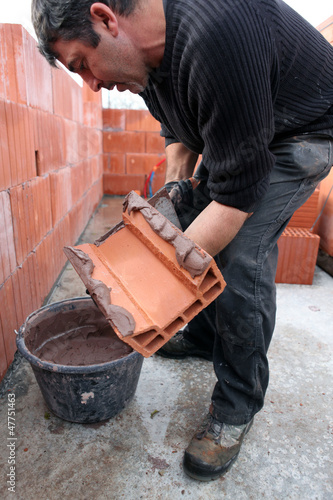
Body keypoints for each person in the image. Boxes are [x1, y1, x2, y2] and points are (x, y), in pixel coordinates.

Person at [31, 0, 333, 481]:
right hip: (245, 128)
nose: (89, 83)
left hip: (298, 132)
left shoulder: (219, 31)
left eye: (82, 65)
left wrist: (154, 286)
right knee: (192, 212)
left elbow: (238, 194)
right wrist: (176, 190)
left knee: (239, 254)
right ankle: (205, 335)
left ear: (106, 18)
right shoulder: (144, 54)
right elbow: (177, 122)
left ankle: (236, 408)